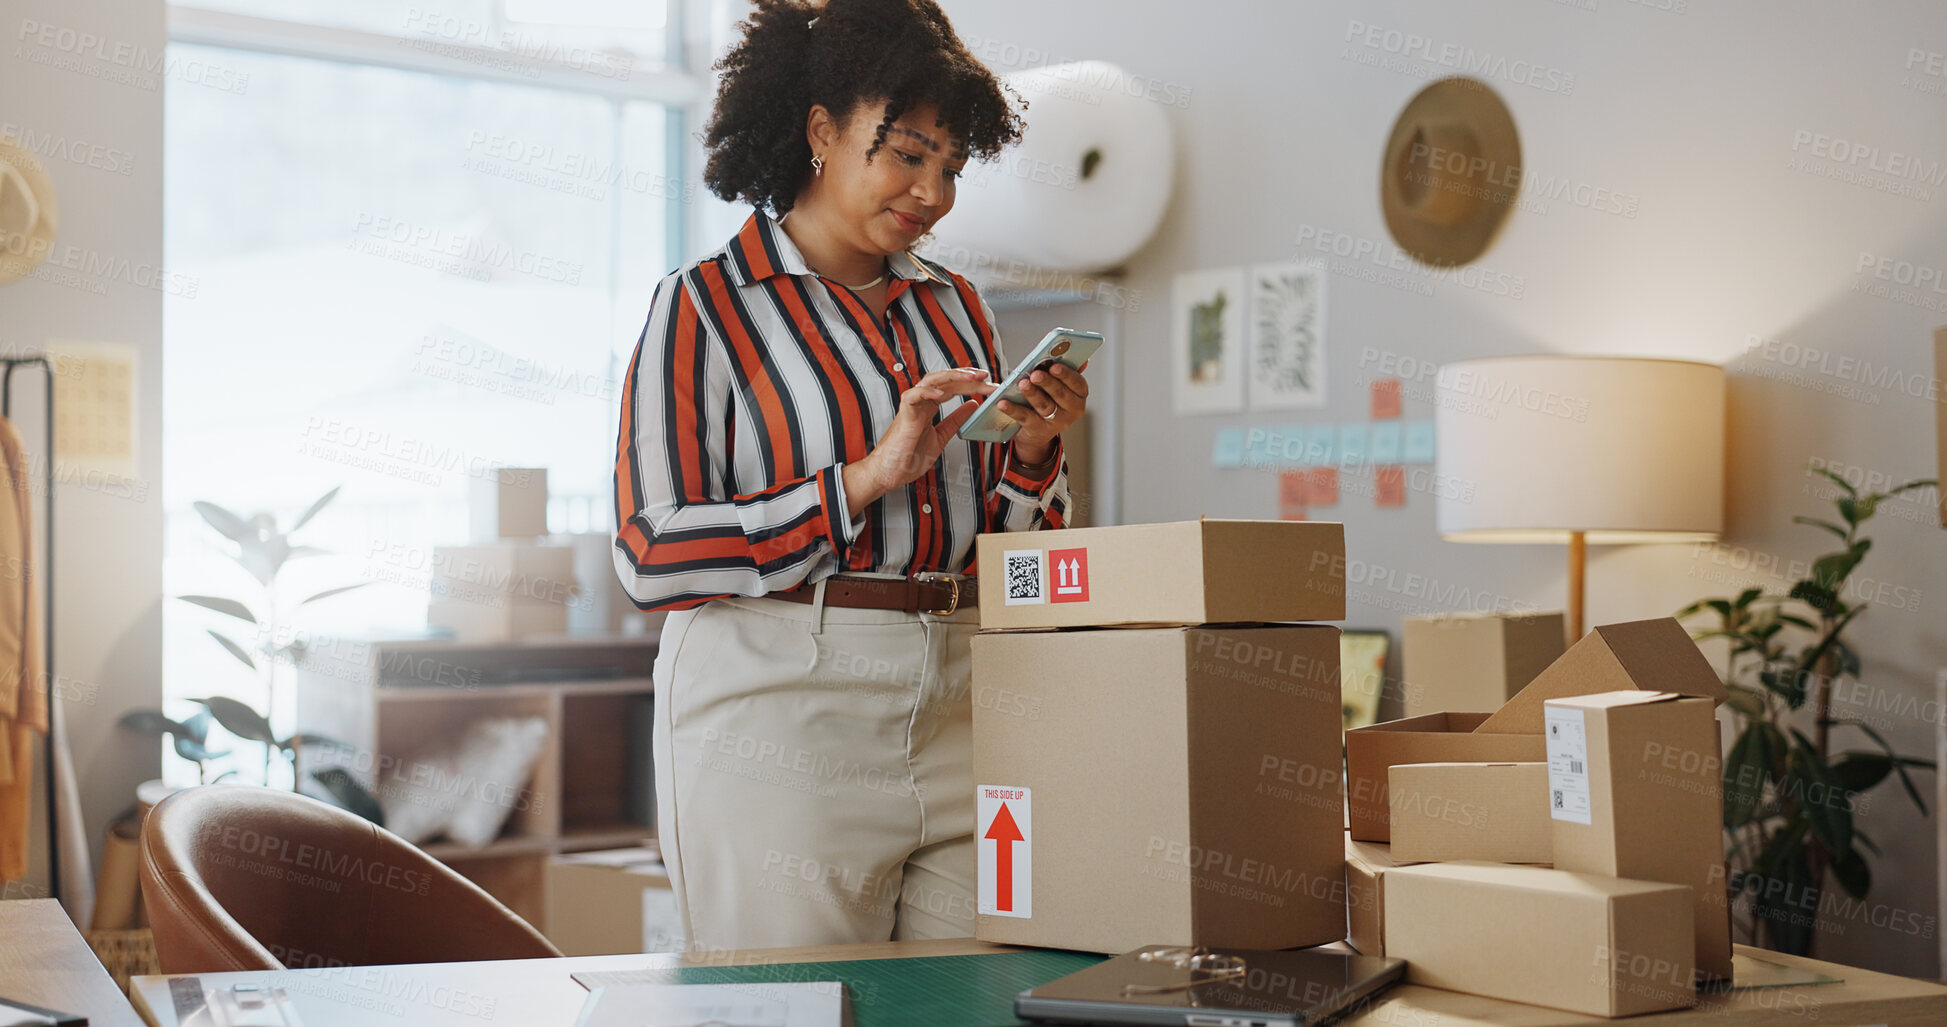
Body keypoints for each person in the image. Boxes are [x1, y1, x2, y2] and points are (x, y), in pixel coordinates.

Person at [611, 0, 1088, 951]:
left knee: (979, 1002)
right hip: (782, 718)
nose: (932, 191)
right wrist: (862, 479)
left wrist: (1033, 455)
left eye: (950, 165)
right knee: (792, 1010)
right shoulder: (703, 308)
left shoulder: (955, 308)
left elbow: (1005, 547)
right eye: (906, 153)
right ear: (821, 132)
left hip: (964, 694)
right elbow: (648, 551)